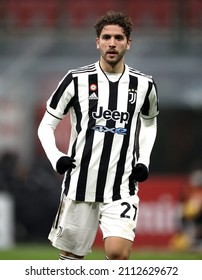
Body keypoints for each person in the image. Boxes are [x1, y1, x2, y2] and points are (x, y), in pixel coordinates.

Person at [38, 10, 159, 260]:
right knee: (71, 259)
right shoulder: (75, 80)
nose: (112, 43)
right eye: (106, 37)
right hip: (79, 183)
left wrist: (144, 160)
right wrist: (56, 157)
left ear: (128, 43)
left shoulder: (144, 84)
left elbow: (149, 122)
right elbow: (46, 125)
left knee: (117, 254)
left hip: (121, 185)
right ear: (97, 42)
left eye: (118, 37)